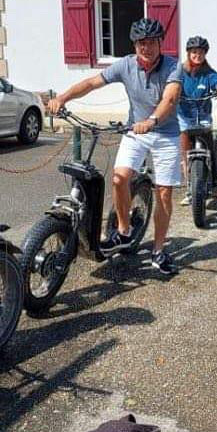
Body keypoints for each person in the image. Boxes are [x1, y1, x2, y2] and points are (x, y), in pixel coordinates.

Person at [47, 18, 182, 276]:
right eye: (142, 43)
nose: (147, 48)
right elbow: (91, 83)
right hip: (135, 130)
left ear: (160, 43)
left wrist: (152, 120)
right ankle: (124, 231)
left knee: (164, 192)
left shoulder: (173, 67)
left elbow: (170, 98)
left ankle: (158, 250)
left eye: (152, 42)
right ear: (135, 45)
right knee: (119, 178)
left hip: (165, 133)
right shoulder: (125, 65)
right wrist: (62, 97)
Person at [177, 36, 217, 205]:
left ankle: (216, 184)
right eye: (194, 52)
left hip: (203, 117)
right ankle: (190, 189)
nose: (197, 55)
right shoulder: (179, 71)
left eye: (201, 52)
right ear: (188, 53)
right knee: (185, 155)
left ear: (205, 54)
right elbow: (169, 85)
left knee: (210, 150)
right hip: (184, 117)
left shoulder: (208, 73)